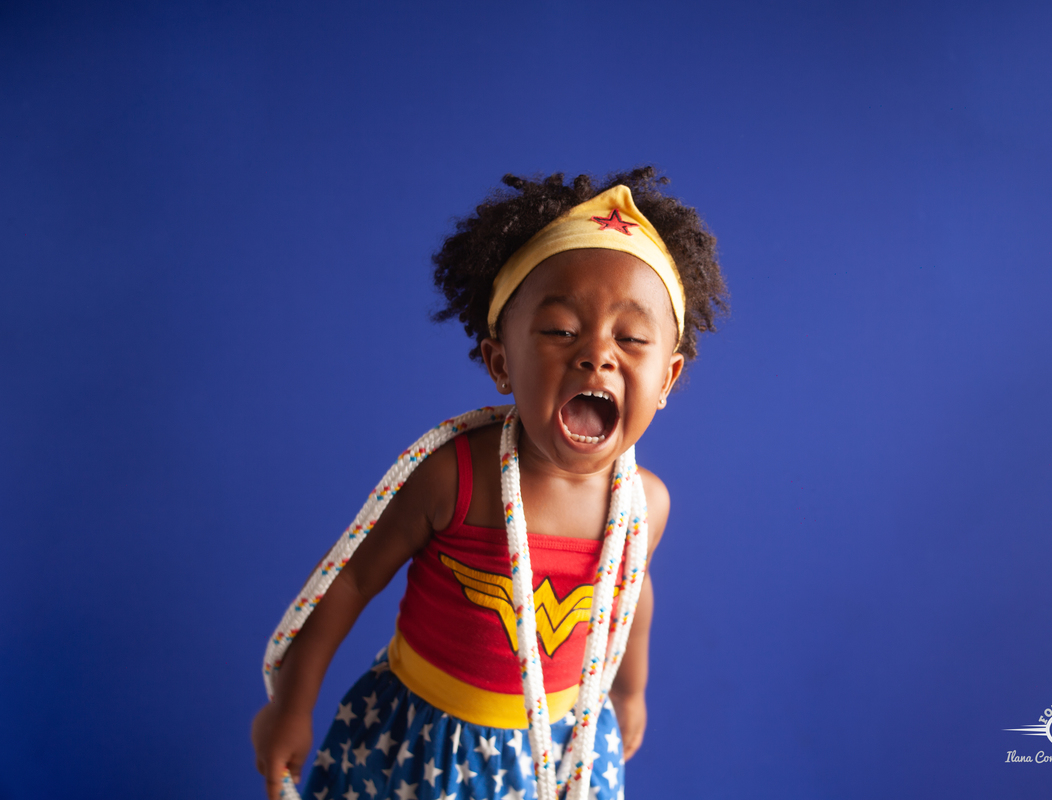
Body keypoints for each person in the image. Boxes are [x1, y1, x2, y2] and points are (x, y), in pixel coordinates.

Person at [252, 167, 728, 800]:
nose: (597, 355)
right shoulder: (456, 476)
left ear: (667, 379)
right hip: (422, 743)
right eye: (561, 331)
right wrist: (292, 702)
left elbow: (629, 600)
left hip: (559, 753)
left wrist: (629, 691)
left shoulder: (644, 503)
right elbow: (353, 578)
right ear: (500, 360)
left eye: (632, 337)